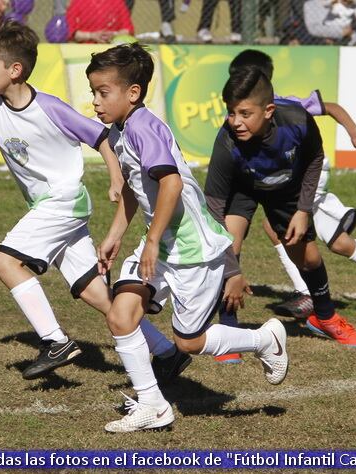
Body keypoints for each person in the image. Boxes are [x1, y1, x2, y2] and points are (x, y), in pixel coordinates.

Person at [0, 22, 177, 381]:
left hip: (63, 201)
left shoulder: (50, 108)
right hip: (48, 207)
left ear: (14, 71)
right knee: (97, 295)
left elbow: (101, 136)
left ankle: (55, 341)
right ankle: (166, 352)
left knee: (4, 262)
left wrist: (117, 177)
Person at [88, 43, 289, 433]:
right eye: (93, 92)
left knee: (189, 343)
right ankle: (154, 405)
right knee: (120, 313)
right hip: (161, 242)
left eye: (102, 92)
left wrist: (150, 240)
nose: (95, 101)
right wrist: (115, 234)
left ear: (133, 92)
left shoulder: (144, 127)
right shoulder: (119, 131)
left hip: (193, 249)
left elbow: (172, 184)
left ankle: (265, 340)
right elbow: (134, 187)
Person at [214, 49, 356, 325]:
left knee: (279, 226)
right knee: (337, 242)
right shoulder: (247, 118)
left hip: (306, 175)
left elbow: (331, 108)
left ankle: (306, 293)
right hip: (289, 178)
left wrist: (354, 131)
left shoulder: (287, 106)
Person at [205, 62, 356, 348]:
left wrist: (304, 210)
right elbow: (213, 210)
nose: (235, 121)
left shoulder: (297, 120)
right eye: (231, 112)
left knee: (308, 258)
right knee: (229, 247)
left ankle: (325, 317)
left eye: (245, 114)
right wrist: (232, 271)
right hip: (241, 188)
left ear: (269, 111)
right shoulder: (226, 142)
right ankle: (229, 330)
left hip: (283, 189)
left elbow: (315, 158)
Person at [66, 0, 134, 43]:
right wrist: (91, 36)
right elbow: (70, 32)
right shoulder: (78, 2)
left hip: (111, 47)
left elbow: (128, 30)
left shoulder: (118, 2)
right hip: (85, 46)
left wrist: (114, 34)